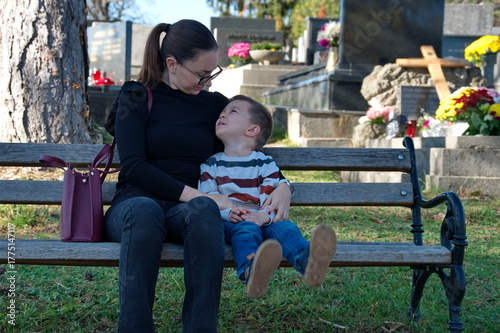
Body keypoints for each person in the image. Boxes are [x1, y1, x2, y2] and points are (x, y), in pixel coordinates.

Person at [104, 20, 293, 333]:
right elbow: (134, 166)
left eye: (213, 74)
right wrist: (201, 195)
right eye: (202, 74)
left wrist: (284, 185)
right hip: (132, 210)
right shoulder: (137, 97)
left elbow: (250, 146)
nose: (207, 82)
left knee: (205, 212)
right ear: (172, 64)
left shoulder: (215, 105)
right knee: (146, 208)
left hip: (185, 214)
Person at [198, 95, 338, 299]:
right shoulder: (211, 165)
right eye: (223, 111)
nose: (223, 114)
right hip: (230, 222)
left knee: (286, 228)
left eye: (233, 111)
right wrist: (230, 213)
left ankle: (308, 264)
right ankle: (251, 270)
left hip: (262, 219)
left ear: (252, 130)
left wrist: (263, 217)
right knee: (246, 229)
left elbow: (271, 196)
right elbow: (208, 198)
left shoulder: (265, 164)